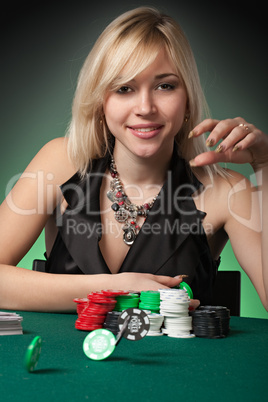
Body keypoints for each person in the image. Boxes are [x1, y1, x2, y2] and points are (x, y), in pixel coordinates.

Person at [0, 7, 267, 313]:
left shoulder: (227, 190)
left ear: (188, 98)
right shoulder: (61, 160)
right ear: (101, 101)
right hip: (63, 362)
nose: (145, 107)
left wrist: (264, 164)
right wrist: (113, 289)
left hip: (178, 363)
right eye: (124, 88)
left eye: (164, 85)